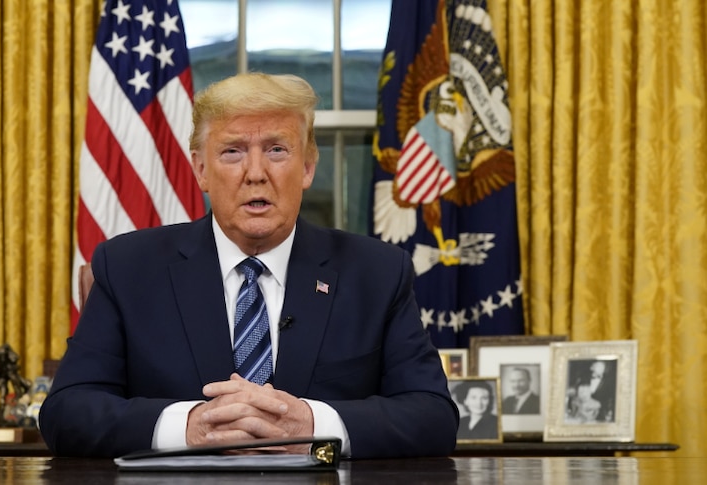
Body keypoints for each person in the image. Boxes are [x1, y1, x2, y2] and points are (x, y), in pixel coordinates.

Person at [38, 73, 459, 458]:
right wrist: (190, 428)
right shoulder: (128, 268)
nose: (255, 173)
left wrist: (312, 426)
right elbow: (67, 412)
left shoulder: (377, 273)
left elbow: (433, 416)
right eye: (232, 152)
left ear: (308, 167)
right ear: (201, 169)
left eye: (276, 149)